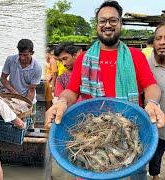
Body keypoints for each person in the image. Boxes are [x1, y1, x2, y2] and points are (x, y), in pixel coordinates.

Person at [45, 1, 165, 179]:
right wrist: (62, 102)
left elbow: (151, 86)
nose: (107, 25)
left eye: (113, 20)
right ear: (97, 25)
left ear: (120, 23)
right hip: (92, 131)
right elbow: (71, 91)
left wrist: (152, 103)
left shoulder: (135, 56)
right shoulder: (84, 59)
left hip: (130, 132)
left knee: (135, 169)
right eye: (102, 21)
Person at [147, 23, 165, 180]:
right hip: (156, 128)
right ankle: (155, 175)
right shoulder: (145, 65)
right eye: (158, 38)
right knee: (155, 156)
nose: (162, 42)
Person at [1, 39, 42, 104]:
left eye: (25, 55)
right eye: (20, 54)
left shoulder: (37, 68)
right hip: (11, 96)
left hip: (28, 98)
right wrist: (15, 93)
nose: (22, 58)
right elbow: (3, 79)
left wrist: (26, 104)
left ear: (32, 53)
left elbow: (31, 90)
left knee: (27, 111)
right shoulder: (10, 60)